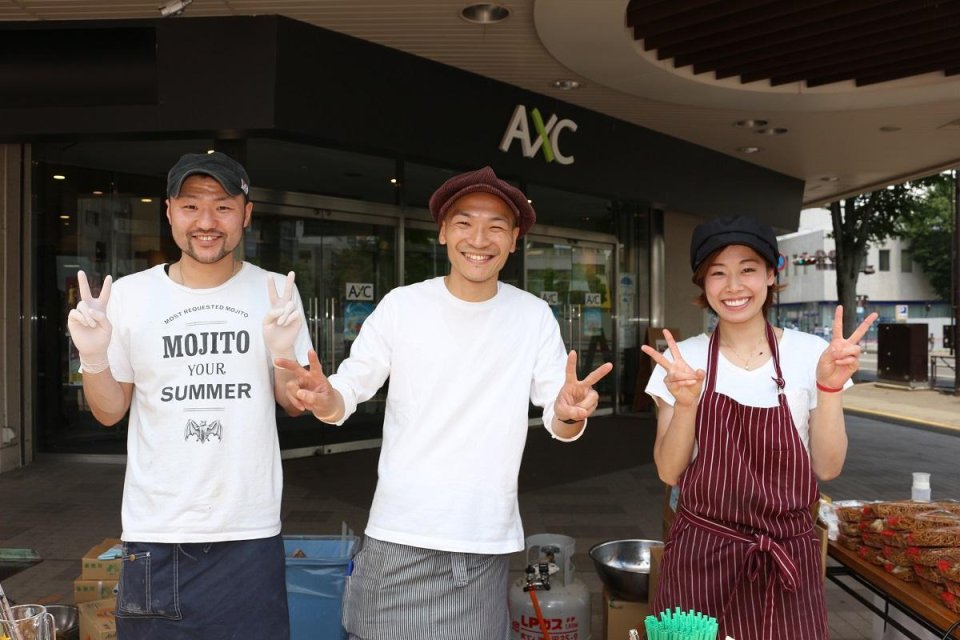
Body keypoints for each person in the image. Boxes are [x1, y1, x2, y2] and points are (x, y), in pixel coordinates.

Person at [275, 166, 613, 640]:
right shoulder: (402, 305)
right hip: (399, 531)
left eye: (496, 226)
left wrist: (570, 412)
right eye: (465, 222)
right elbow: (345, 396)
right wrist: (324, 396)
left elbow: (559, 416)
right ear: (443, 233)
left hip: (482, 537)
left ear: (514, 239)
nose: (480, 238)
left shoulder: (532, 316)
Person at [66, 151, 312, 640]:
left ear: (246, 213)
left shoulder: (275, 291)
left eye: (222, 207)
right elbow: (110, 411)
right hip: (156, 533)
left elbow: (293, 401)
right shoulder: (132, 295)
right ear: (169, 211)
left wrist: (286, 356)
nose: (206, 222)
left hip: (248, 531)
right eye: (191, 206)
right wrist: (93, 358)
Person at [641, 215, 877, 640]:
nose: (733, 286)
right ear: (703, 284)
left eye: (748, 269)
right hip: (701, 555)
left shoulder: (812, 354)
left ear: (771, 273)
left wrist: (830, 386)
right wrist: (686, 403)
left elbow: (827, 467)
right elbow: (668, 472)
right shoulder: (682, 360)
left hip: (787, 556)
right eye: (718, 273)